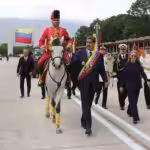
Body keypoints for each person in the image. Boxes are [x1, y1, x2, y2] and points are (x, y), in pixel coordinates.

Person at [71, 36, 108, 136]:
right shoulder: (80, 53)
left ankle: (83, 120)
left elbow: (102, 70)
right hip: (83, 83)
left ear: (94, 44)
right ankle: (88, 127)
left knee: (88, 104)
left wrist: (105, 80)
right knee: (85, 104)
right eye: (87, 42)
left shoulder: (98, 56)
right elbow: (73, 65)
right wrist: (80, 63)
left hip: (94, 84)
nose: (88, 44)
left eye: (90, 42)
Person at [37, 10, 72, 86]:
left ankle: (68, 80)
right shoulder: (47, 30)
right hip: (49, 53)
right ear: (51, 21)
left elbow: (69, 39)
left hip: (61, 53)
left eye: (58, 20)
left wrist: (69, 44)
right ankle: (41, 79)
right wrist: (42, 46)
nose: (56, 22)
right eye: (54, 20)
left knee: (69, 62)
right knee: (39, 63)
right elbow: (41, 41)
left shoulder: (63, 30)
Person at [120, 51, 149, 124]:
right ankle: (135, 117)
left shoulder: (139, 65)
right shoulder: (127, 65)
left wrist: (146, 81)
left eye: (134, 56)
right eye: (132, 56)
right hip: (129, 86)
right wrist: (121, 85)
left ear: (136, 57)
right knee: (133, 102)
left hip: (137, 86)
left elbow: (143, 73)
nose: (133, 57)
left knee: (134, 101)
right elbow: (123, 76)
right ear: (130, 57)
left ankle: (129, 111)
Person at [114, 44, 128, 110]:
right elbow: (114, 68)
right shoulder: (116, 58)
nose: (122, 50)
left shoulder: (129, 57)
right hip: (119, 78)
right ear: (120, 50)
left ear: (126, 50)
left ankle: (122, 100)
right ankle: (122, 105)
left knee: (127, 91)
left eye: (124, 49)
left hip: (127, 78)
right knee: (120, 92)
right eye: (121, 49)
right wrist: (115, 77)